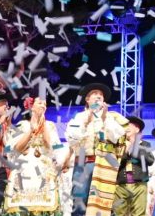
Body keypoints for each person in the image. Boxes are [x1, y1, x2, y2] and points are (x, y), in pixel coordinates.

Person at [64, 83, 128, 216]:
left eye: (101, 95)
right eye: (95, 94)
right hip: (83, 162)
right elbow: (71, 138)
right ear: (87, 99)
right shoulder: (79, 117)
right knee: (79, 201)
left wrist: (105, 118)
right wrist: (86, 121)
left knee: (102, 204)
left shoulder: (111, 117)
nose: (98, 96)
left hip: (104, 165)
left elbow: (117, 137)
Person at [2, 96, 64, 216]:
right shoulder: (22, 125)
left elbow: (50, 144)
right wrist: (31, 129)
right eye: (40, 103)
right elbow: (17, 147)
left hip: (44, 170)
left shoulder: (50, 125)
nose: (43, 106)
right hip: (24, 170)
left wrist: (42, 121)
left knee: (45, 205)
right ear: (31, 106)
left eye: (45, 104)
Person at [113, 116, 155, 216]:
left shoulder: (145, 144)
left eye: (129, 125)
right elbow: (113, 162)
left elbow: (150, 160)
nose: (126, 128)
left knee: (139, 213)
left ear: (137, 129)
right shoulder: (118, 145)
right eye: (124, 125)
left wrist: (133, 147)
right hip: (121, 185)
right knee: (119, 213)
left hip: (139, 185)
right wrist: (125, 151)